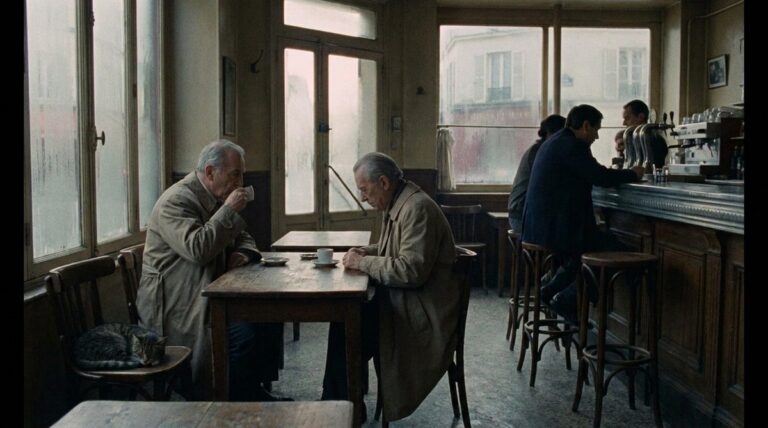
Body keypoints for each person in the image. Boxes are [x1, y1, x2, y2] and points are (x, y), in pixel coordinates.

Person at [136, 139, 287, 401]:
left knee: (267, 316)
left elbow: (243, 236)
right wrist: (228, 210)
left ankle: (251, 392)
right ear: (210, 172)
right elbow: (198, 249)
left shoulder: (213, 197)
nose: (240, 183)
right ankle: (233, 400)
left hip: (205, 293)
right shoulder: (176, 202)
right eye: (235, 175)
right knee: (245, 334)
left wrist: (242, 253)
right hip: (178, 304)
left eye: (241, 175)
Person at [322, 152, 460, 423]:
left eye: (364, 189)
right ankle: (344, 403)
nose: (363, 197)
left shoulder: (417, 208)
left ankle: (338, 409)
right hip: (406, 302)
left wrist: (363, 262)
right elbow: (394, 251)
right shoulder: (400, 201)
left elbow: (410, 271)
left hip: (424, 315)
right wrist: (367, 251)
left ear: (384, 182)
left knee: (347, 325)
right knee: (344, 321)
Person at [522, 105, 645, 323]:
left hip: (539, 226)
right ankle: (567, 299)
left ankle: (549, 291)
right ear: (586, 125)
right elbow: (600, 176)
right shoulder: (573, 146)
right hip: (555, 229)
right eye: (596, 130)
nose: (597, 137)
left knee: (580, 258)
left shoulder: (556, 141)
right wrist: (633, 174)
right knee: (613, 252)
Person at [507, 114, 566, 232]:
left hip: (522, 213)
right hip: (521, 216)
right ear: (554, 134)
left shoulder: (539, 149)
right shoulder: (541, 152)